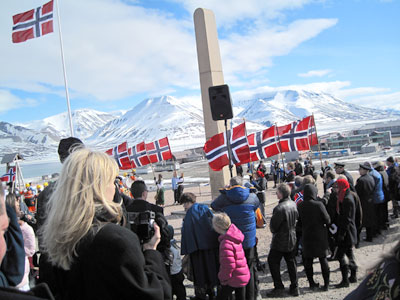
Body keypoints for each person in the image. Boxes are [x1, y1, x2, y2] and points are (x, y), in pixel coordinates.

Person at [40, 149, 171, 299]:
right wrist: (151, 252)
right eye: (112, 181)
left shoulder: (55, 239)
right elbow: (157, 295)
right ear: (98, 187)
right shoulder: (114, 240)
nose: (115, 188)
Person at [211, 176, 260, 300]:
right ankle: (251, 295)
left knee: (236, 269)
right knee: (247, 269)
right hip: (248, 239)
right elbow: (256, 204)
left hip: (232, 237)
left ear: (230, 185)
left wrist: (225, 191)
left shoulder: (225, 197)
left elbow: (214, 206)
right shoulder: (251, 196)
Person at [181, 192, 219, 300]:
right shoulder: (204, 208)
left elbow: (186, 232)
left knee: (199, 273)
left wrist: (187, 248)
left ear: (188, 202)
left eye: (184, 204)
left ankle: (201, 295)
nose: (184, 206)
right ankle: (212, 292)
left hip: (196, 249)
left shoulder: (189, 215)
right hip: (210, 247)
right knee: (211, 270)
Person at [267, 183, 299, 297]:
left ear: (281, 194)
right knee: (291, 262)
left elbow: (274, 227)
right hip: (292, 236)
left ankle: (279, 286)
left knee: (272, 261)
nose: (276, 194)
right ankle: (295, 287)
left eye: (277, 192)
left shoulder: (279, 208)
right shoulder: (293, 204)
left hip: (281, 239)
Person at [297, 184, 331, 291]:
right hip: (319, 235)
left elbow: (300, 222)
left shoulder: (300, 205)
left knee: (308, 261)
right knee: (323, 259)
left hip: (307, 235)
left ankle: (311, 283)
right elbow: (327, 220)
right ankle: (326, 285)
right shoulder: (319, 205)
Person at [212, 213, 250, 300]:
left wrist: (222, 278)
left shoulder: (225, 243)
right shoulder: (235, 236)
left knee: (221, 296)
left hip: (234, 277)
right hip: (242, 274)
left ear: (218, 227)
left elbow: (228, 265)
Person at [5, 194, 36, 291]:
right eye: (16, 201)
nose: (18, 203)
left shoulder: (20, 228)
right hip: (20, 277)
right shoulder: (24, 228)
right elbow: (31, 250)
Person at [334, 178, 358, 288]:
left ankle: (345, 280)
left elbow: (347, 219)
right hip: (348, 231)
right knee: (349, 253)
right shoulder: (346, 196)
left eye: (337, 186)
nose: (336, 188)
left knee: (340, 255)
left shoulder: (347, 199)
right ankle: (353, 276)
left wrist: (341, 234)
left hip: (347, 232)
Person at [355, 162, 376, 242]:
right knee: (369, 220)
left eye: (360, 169)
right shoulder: (371, 178)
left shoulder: (361, 180)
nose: (359, 171)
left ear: (364, 170)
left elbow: (357, 192)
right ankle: (369, 237)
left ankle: (357, 238)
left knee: (361, 220)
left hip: (363, 202)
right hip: (370, 201)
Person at [167, 225, 186, 300]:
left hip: (172, 273)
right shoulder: (174, 245)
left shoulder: (168, 248)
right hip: (178, 271)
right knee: (180, 292)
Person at [374, 161, 389, 230]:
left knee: (381, 211)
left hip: (382, 195)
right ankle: (386, 223)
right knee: (385, 210)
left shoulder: (379, 174)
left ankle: (382, 225)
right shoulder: (385, 172)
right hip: (385, 194)